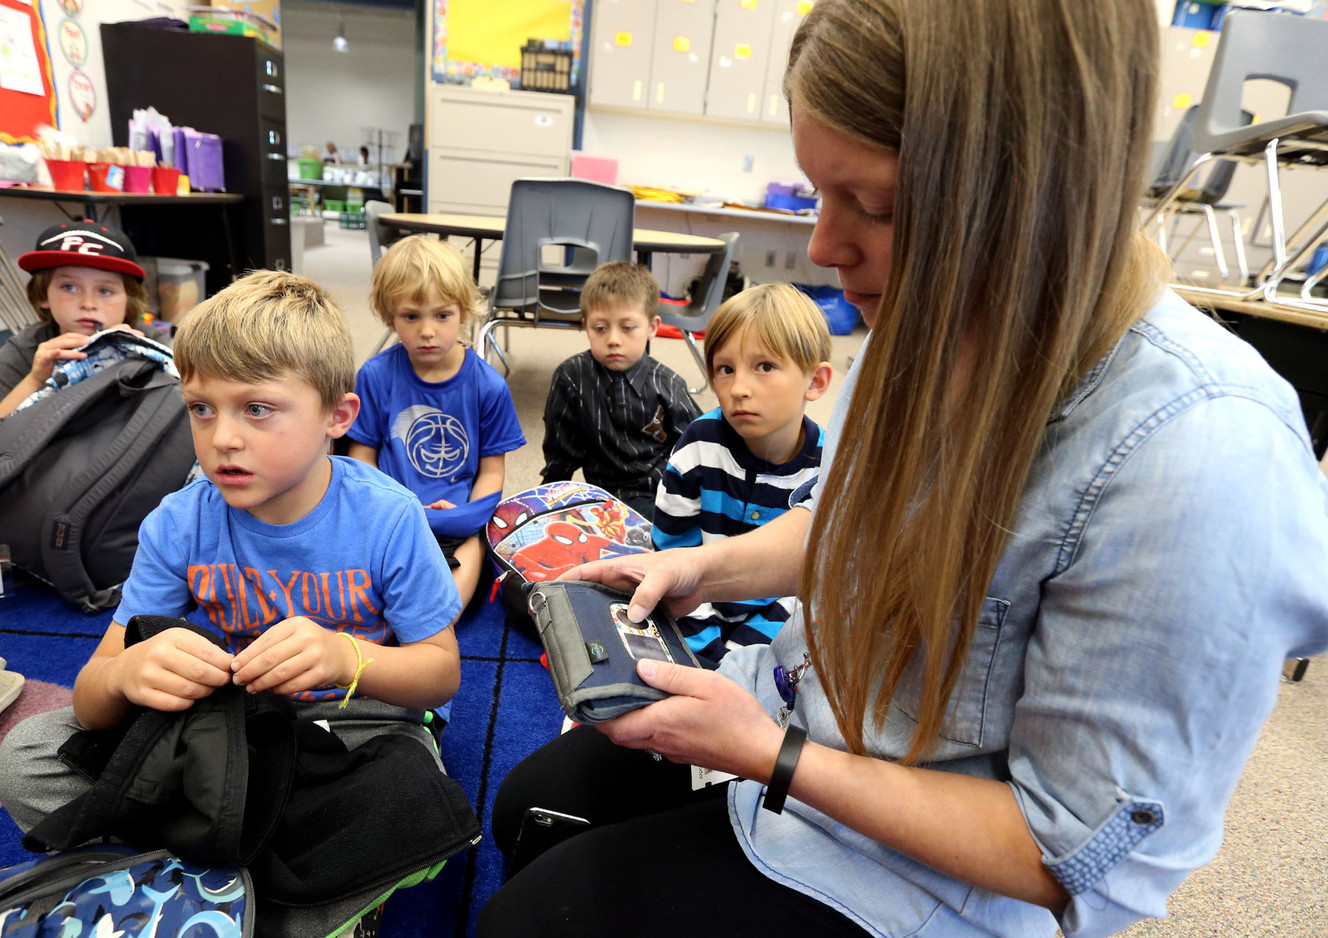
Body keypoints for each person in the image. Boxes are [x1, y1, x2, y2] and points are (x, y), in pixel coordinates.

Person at [479, 2, 1328, 937]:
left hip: (933, 873)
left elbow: (1068, 853)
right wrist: (700, 568)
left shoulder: (1201, 456)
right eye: (821, 195)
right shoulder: (933, 312)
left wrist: (772, 757)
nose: (823, 248)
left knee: (534, 921)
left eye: (877, 206)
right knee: (531, 810)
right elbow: (858, 522)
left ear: (1039, 188)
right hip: (809, 709)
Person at [0, 269, 463, 835]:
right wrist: (127, 675)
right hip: (229, 721)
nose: (222, 439)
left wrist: (348, 658)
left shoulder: (388, 515)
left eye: (257, 408)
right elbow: (93, 699)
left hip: (356, 716)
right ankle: (266, 863)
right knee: (28, 756)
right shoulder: (178, 523)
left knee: (412, 792)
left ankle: (212, 857)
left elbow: (440, 675)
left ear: (337, 418)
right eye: (201, 408)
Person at [651, 283, 830, 665]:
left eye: (765, 366)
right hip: (695, 603)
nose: (739, 389)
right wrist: (708, 653)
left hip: (782, 616)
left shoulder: (828, 466)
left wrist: (741, 658)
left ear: (814, 382)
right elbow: (671, 549)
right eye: (725, 369)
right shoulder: (698, 446)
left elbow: (808, 584)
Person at [347, 235, 525, 609]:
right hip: (390, 512)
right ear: (389, 315)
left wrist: (463, 515)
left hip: (457, 516)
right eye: (411, 316)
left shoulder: (488, 386)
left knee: (472, 548)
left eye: (442, 315)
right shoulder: (375, 376)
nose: (427, 331)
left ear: (463, 312)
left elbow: (492, 474)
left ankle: (442, 618)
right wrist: (395, 505)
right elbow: (361, 457)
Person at [540, 261, 701, 520]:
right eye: (600, 328)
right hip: (598, 496)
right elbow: (561, 452)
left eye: (627, 328)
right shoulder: (571, 377)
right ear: (586, 325)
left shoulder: (668, 383)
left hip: (659, 493)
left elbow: (698, 443)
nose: (613, 339)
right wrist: (548, 504)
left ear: (652, 327)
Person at [1, 220, 150, 418]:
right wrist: (36, 379)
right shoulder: (25, 350)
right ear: (43, 295)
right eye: (69, 287)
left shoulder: (148, 341)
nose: (88, 303)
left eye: (105, 290)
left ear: (129, 300)